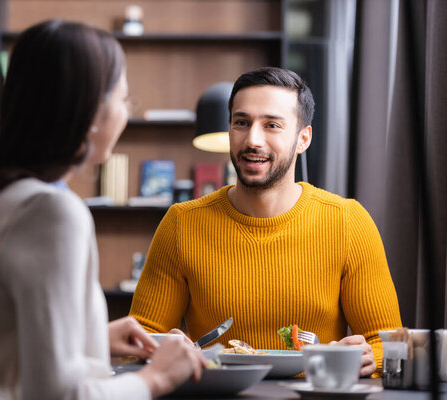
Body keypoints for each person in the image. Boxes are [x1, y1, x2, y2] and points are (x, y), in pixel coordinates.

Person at [0, 20, 205, 400]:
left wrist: (95, 338)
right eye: (123, 100)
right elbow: (60, 396)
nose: (124, 113)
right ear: (90, 114)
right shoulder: (51, 212)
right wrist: (157, 378)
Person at [129, 67, 402, 377]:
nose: (252, 140)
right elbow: (137, 341)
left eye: (272, 125)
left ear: (303, 139)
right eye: (241, 123)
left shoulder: (349, 221)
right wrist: (158, 347)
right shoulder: (181, 223)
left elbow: (388, 344)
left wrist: (370, 359)